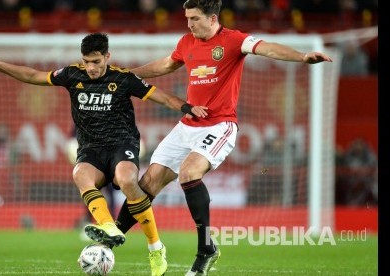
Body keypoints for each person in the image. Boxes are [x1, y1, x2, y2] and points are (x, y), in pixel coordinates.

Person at [112, 1, 333, 275]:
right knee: (148, 181)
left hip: (219, 125)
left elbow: (267, 48)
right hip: (188, 124)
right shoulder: (187, 42)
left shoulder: (233, 40)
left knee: (190, 173)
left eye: (194, 18)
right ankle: (113, 236)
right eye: (187, 18)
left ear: (212, 18)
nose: (189, 24)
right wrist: (128, 75)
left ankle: (206, 248)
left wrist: (301, 57)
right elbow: (167, 64)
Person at [0, 32, 208, 276]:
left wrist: (187, 108)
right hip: (91, 149)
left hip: (121, 144)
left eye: (96, 62)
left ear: (107, 57)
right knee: (80, 174)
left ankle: (155, 248)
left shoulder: (123, 79)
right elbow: (33, 76)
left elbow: (160, 97)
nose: (91, 67)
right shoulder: (72, 74)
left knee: (128, 180)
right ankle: (108, 226)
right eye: (87, 61)